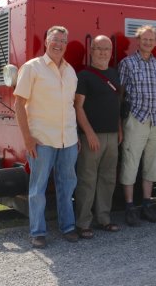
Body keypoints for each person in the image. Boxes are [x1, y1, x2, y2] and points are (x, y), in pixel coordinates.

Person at [14, 25, 79, 248]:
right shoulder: (32, 68)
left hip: (68, 139)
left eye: (63, 40)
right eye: (55, 39)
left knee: (67, 185)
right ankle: (38, 232)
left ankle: (68, 227)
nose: (58, 44)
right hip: (42, 140)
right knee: (37, 189)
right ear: (46, 41)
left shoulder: (70, 71)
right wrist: (27, 139)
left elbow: (70, 106)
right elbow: (18, 105)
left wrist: (75, 133)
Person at [73, 35, 122, 239]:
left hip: (112, 135)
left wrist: (119, 128)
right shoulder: (84, 76)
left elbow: (116, 104)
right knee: (87, 180)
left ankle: (104, 219)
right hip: (92, 137)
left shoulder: (114, 73)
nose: (103, 52)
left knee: (108, 179)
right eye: (99, 48)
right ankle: (83, 223)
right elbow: (78, 106)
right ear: (91, 50)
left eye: (107, 49)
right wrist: (89, 133)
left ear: (111, 52)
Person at [119, 25, 156, 225]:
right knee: (131, 162)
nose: (148, 42)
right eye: (144, 39)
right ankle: (129, 207)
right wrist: (120, 123)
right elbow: (119, 94)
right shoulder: (127, 63)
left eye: (151, 40)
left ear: (155, 42)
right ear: (138, 41)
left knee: (152, 164)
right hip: (136, 118)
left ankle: (147, 204)